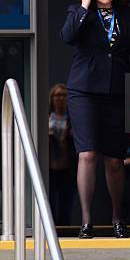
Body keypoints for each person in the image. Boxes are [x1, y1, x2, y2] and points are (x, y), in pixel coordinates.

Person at [60, 0, 130, 239]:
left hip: (118, 92)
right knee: (87, 154)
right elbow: (67, 36)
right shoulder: (78, 12)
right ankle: (86, 222)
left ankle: (117, 218)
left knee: (114, 160)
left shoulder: (129, 15)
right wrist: (86, 6)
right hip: (84, 91)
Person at [48, 83, 74, 226]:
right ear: (51, 98)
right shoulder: (45, 118)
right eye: (57, 95)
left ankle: (65, 230)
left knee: (66, 204)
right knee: (49, 203)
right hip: (50, 167)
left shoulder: (72, 119)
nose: (60, 99)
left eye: (64, 95)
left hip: (67, 166)